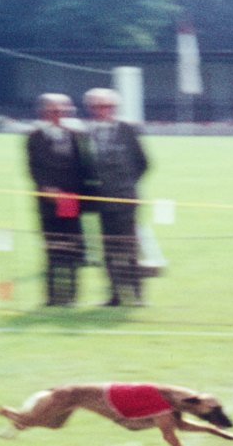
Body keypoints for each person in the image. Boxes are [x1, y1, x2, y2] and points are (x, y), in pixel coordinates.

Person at [83, 87, 150, 306]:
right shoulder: (85, 133)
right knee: (108, 250)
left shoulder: (127, 130)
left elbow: (143, 163)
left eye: (107, 106)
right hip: (101, 201)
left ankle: (137, 295)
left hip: (125, 200)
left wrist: (125, 186)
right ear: (90, 109)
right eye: (97, 106)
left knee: (129, 248)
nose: (102, 110)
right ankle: (115, 295)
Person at [26, 93, 88, 306]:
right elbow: (33, 168)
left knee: (72, 249)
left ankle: (71, 296)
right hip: (48, 202)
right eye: (54, 111)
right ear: (43, 113)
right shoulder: (35, 137)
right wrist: (47, 189)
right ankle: (53, 296)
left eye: (64, 111)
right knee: (52, 250)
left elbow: (83, 167)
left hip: (71, 200)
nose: (59, 115)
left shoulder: (75, 136)